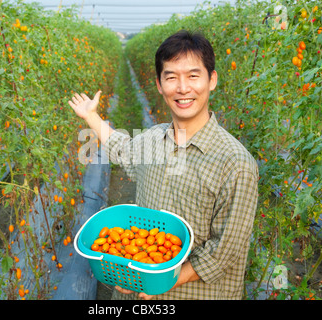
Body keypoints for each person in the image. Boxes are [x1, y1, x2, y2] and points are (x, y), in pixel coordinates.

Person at [68, 30, 259, 300]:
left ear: (212, 80)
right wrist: (91, 117)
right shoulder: (154, 138)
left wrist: (163, 281)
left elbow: (226, 249)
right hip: (135, 289)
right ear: (159, 84)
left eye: (193, 76)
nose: (182, 88)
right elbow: (123, 149)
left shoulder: (235, 164)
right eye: (171, 77)